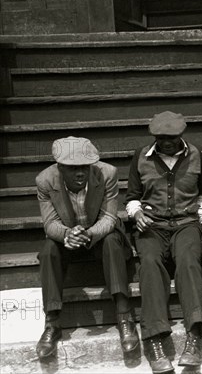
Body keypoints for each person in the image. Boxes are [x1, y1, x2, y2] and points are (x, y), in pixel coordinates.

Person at [125, 111, 202, 373]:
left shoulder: (198, 155)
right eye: (161, 138)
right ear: (155, 137)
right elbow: (131, 197)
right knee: (150, 264)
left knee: (189, 262)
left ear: (181, 135)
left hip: (186, 224)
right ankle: (154, 341)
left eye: (172, 138)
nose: (167, 142)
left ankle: (194, 338)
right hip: (152, 226)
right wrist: (137, 213)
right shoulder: (141, 156)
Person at [36, 137, 138, 359]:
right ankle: (52, 323)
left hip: (99, 235)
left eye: (84, 166)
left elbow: (109, 217)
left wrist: (89, 234)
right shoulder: (45, 180)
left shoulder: (107, 174)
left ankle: (124, 316)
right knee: (47, 251)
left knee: (112, 239)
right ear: (60, 167)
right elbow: (50, 223)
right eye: (73, 168)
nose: (80, 173)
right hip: (68, 237)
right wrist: (67, 234)